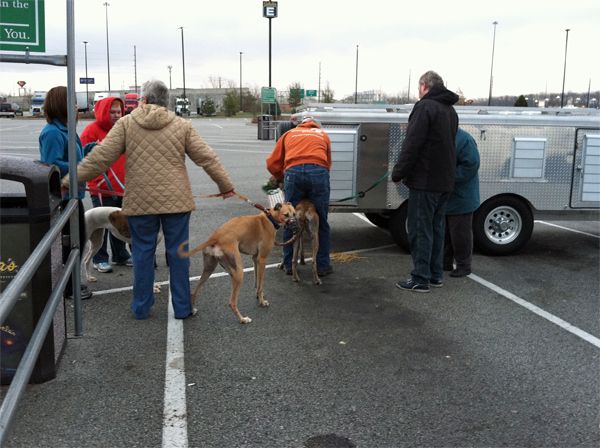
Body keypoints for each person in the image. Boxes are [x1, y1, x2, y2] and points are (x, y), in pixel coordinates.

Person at [62, 80, 235, 320]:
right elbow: (207, 158)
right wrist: (225, 186)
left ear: (143, 99)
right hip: (177, 201)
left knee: (142, 253)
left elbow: (100, 158)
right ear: (167, 101)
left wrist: (70, 179)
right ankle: (183, 308)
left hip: (140, 202)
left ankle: (141, 307)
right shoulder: (181, 125)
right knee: (178, 254)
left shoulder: (126, 124)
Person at [391, 70, 459, 293]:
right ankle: (435, 274)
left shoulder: (424, 107)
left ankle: (420, 278)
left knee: (421, 230)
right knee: (437, 229)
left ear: (424, 86)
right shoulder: (450, 110)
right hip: (445, 181)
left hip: (425, 181)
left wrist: (398, 172)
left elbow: (413, 143)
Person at [38, 86, 92, 299]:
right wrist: (80, 165)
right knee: (69, 244)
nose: (77, 106)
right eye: (73, 102)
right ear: (62, 104)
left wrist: (88, 152)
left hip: (74, 195)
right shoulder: (52, 132)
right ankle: (69, 288)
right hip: (64, 198)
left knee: (78, 240)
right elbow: (50, 164)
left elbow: (72, 156)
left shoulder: (66, 128)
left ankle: (71, 284)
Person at [266, 116, 333, 276]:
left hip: (293, 173)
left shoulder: (289, 134)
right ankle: (323, 266)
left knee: (290, 220)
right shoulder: (323, 134)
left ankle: (289, 264)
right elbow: (328, 162)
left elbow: (272, 163)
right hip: (318, 171)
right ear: (315, 125)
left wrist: (280, 176)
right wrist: (320, 177)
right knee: (322, 221)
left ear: (299, 124)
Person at [80, 96, 131, 274]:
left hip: (122, 187)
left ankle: (120, 254)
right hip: (102, 188)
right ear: (103, 112)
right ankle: (99, 258)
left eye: (119, 111)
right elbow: (84, 158)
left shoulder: (123, 129)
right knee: (101, 225)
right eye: (112, 112)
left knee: (120, 223)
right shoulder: (91, 131)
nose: (117, 115)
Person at [444, 128, 480, 277]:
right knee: (445, 233)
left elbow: (471, 165)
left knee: (460, 234)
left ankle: (464, 265)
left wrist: (447, 177)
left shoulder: (464, 139)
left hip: (462, 197)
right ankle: (444, 262)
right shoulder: (443, 135)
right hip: (447, 196)